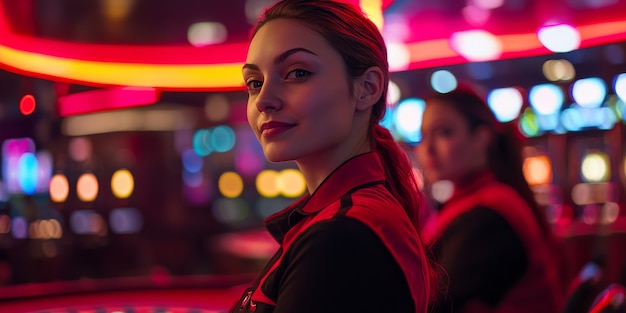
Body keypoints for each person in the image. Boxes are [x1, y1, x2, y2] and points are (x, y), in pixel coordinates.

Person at [230, 0, 436, 312]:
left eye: (297, 73)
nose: (264, 100)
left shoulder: (340, 236)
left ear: (367, 88)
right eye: (254, 83)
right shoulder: (347, 218)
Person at [416, 87, 565, 313]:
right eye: (423, 136)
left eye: (444, 133)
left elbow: (436, 304)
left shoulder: (488, 215)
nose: (428, 149)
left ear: (481, 138)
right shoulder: (484, 198)